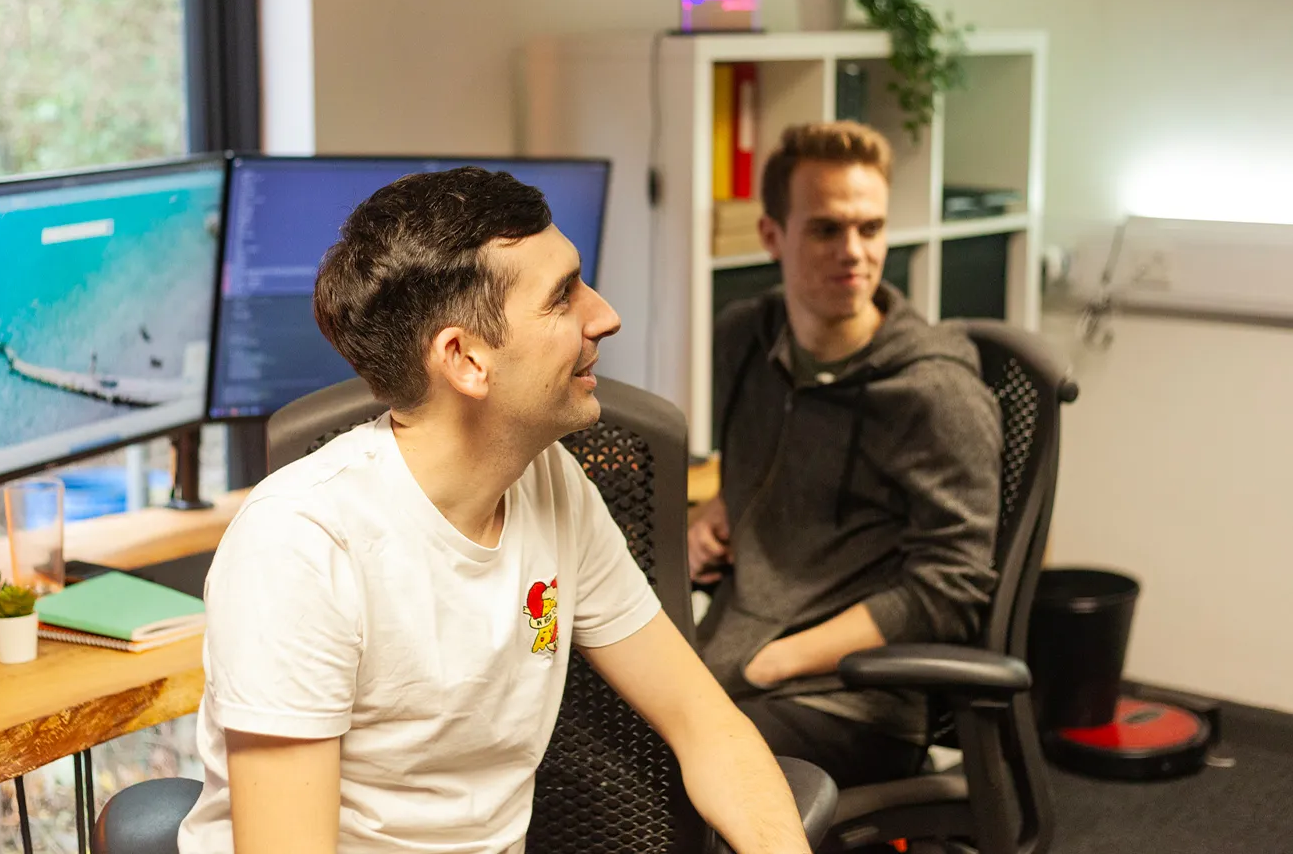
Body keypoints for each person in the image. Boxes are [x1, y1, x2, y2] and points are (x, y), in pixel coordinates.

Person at [179, 167, 812, 854]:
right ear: (466, 359)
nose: (604, 316)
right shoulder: (299, 546)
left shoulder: (553, 485)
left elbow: (706, 724)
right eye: (562, 297)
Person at [690, 121, 1002, 789]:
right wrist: (723, 509)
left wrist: (779, 662)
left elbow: (951, 587)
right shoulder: (745, 338)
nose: (854, 252)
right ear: (772, 235)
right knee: (582, 732)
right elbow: (782, 459)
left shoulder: (933, 392)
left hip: (851, 700)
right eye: (827, 229)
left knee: (660, 778)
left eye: (871, 228)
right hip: (736, 651)